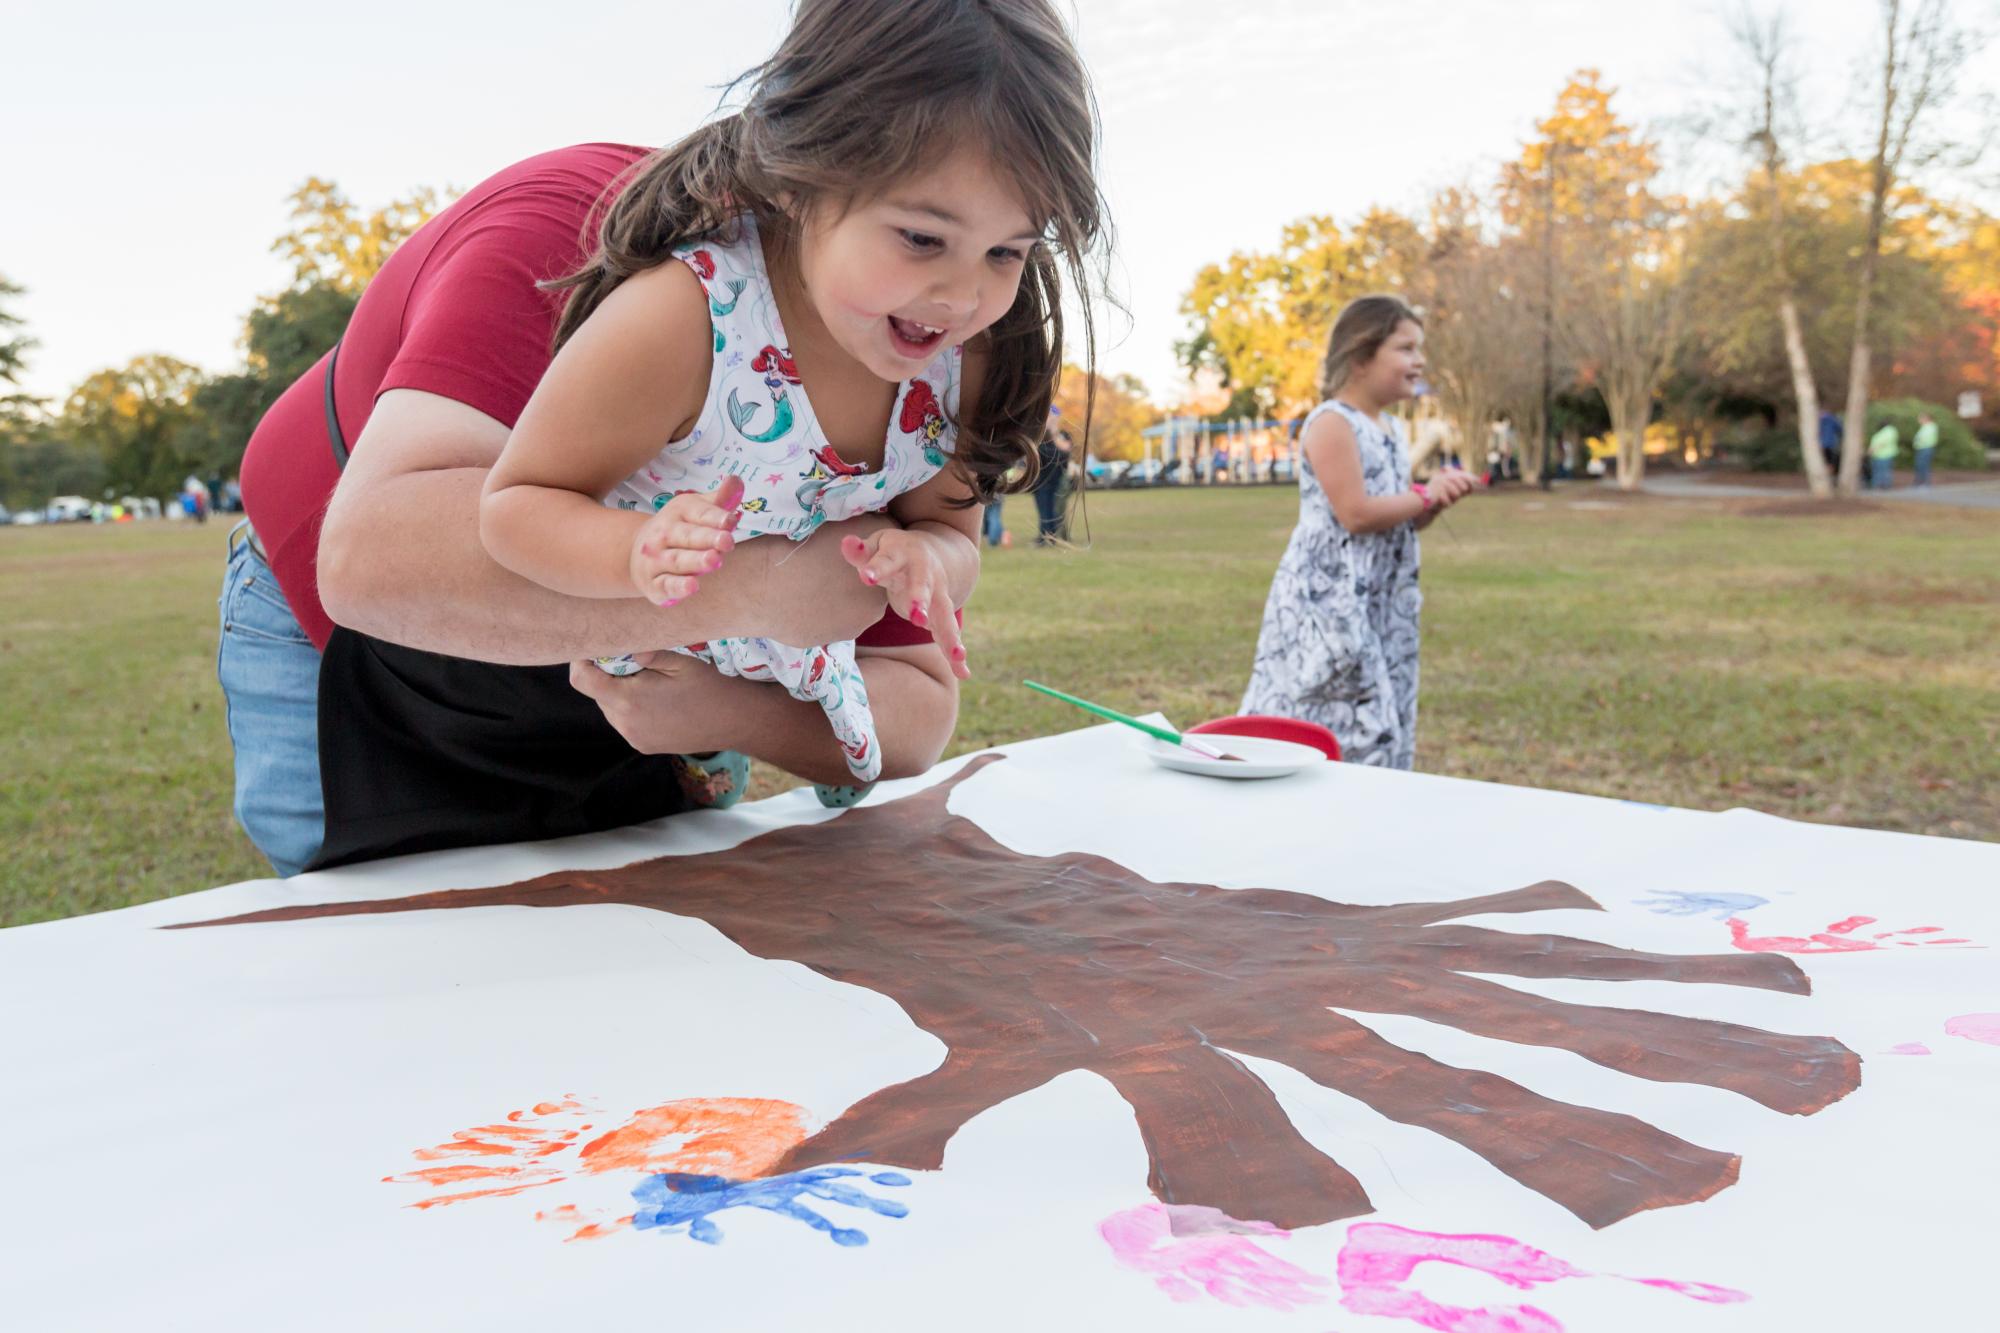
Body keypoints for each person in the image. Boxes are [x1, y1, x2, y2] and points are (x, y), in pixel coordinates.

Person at [225, 0, 1106, 876]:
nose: (957, 296)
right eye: (920, 237)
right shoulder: (602, 262)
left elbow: (916, 700)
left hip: (653, 666)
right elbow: (368, 562)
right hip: (349, 627)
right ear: (802, 181)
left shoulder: (930, 341)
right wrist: (755, 586)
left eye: (1008, 252)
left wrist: (729, 710)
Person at [1239, 295, 1477, 769]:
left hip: (1380, 601)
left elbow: (1393, 517)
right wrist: (1425, 494)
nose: (1420, 360)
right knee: (1331, 709)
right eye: (1406, 348)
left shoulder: (1388, 427)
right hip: (1331, 601)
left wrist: (1432, 502)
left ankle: (1371, 806)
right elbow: (1356, 514)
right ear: (1362, 355)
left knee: (1382, 715)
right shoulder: (1331, 423)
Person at [1867, 418, 1899, 490]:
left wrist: (1872, 450)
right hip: (1881, 455)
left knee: (1883, 471)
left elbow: (1882, 442)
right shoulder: (1889, 431)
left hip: (1883, 455)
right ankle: (1880, 485)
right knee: (1881, 471)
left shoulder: (1889, 431)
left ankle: (1882, 486)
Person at [1913, 411, 1939, 487]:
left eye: (1920, 418)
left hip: (1926, 449)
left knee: (1923, 466)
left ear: (1925, 419)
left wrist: (1918, 441)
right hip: (1922, 449)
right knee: (1919, 466)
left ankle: (1924, 483)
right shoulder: (1925, 427)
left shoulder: (1930, 427)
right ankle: (1919, 482)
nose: (1918, 420)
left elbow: (1924, 438)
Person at [1818, 409, 1842, 476]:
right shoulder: (1832, 420)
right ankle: (1830, 474)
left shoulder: (1818, 420)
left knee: (1824, 461)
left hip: (1821, 444)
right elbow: (1840, 430)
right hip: (1831, 444)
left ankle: (1825, 474)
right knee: (1831, 461)